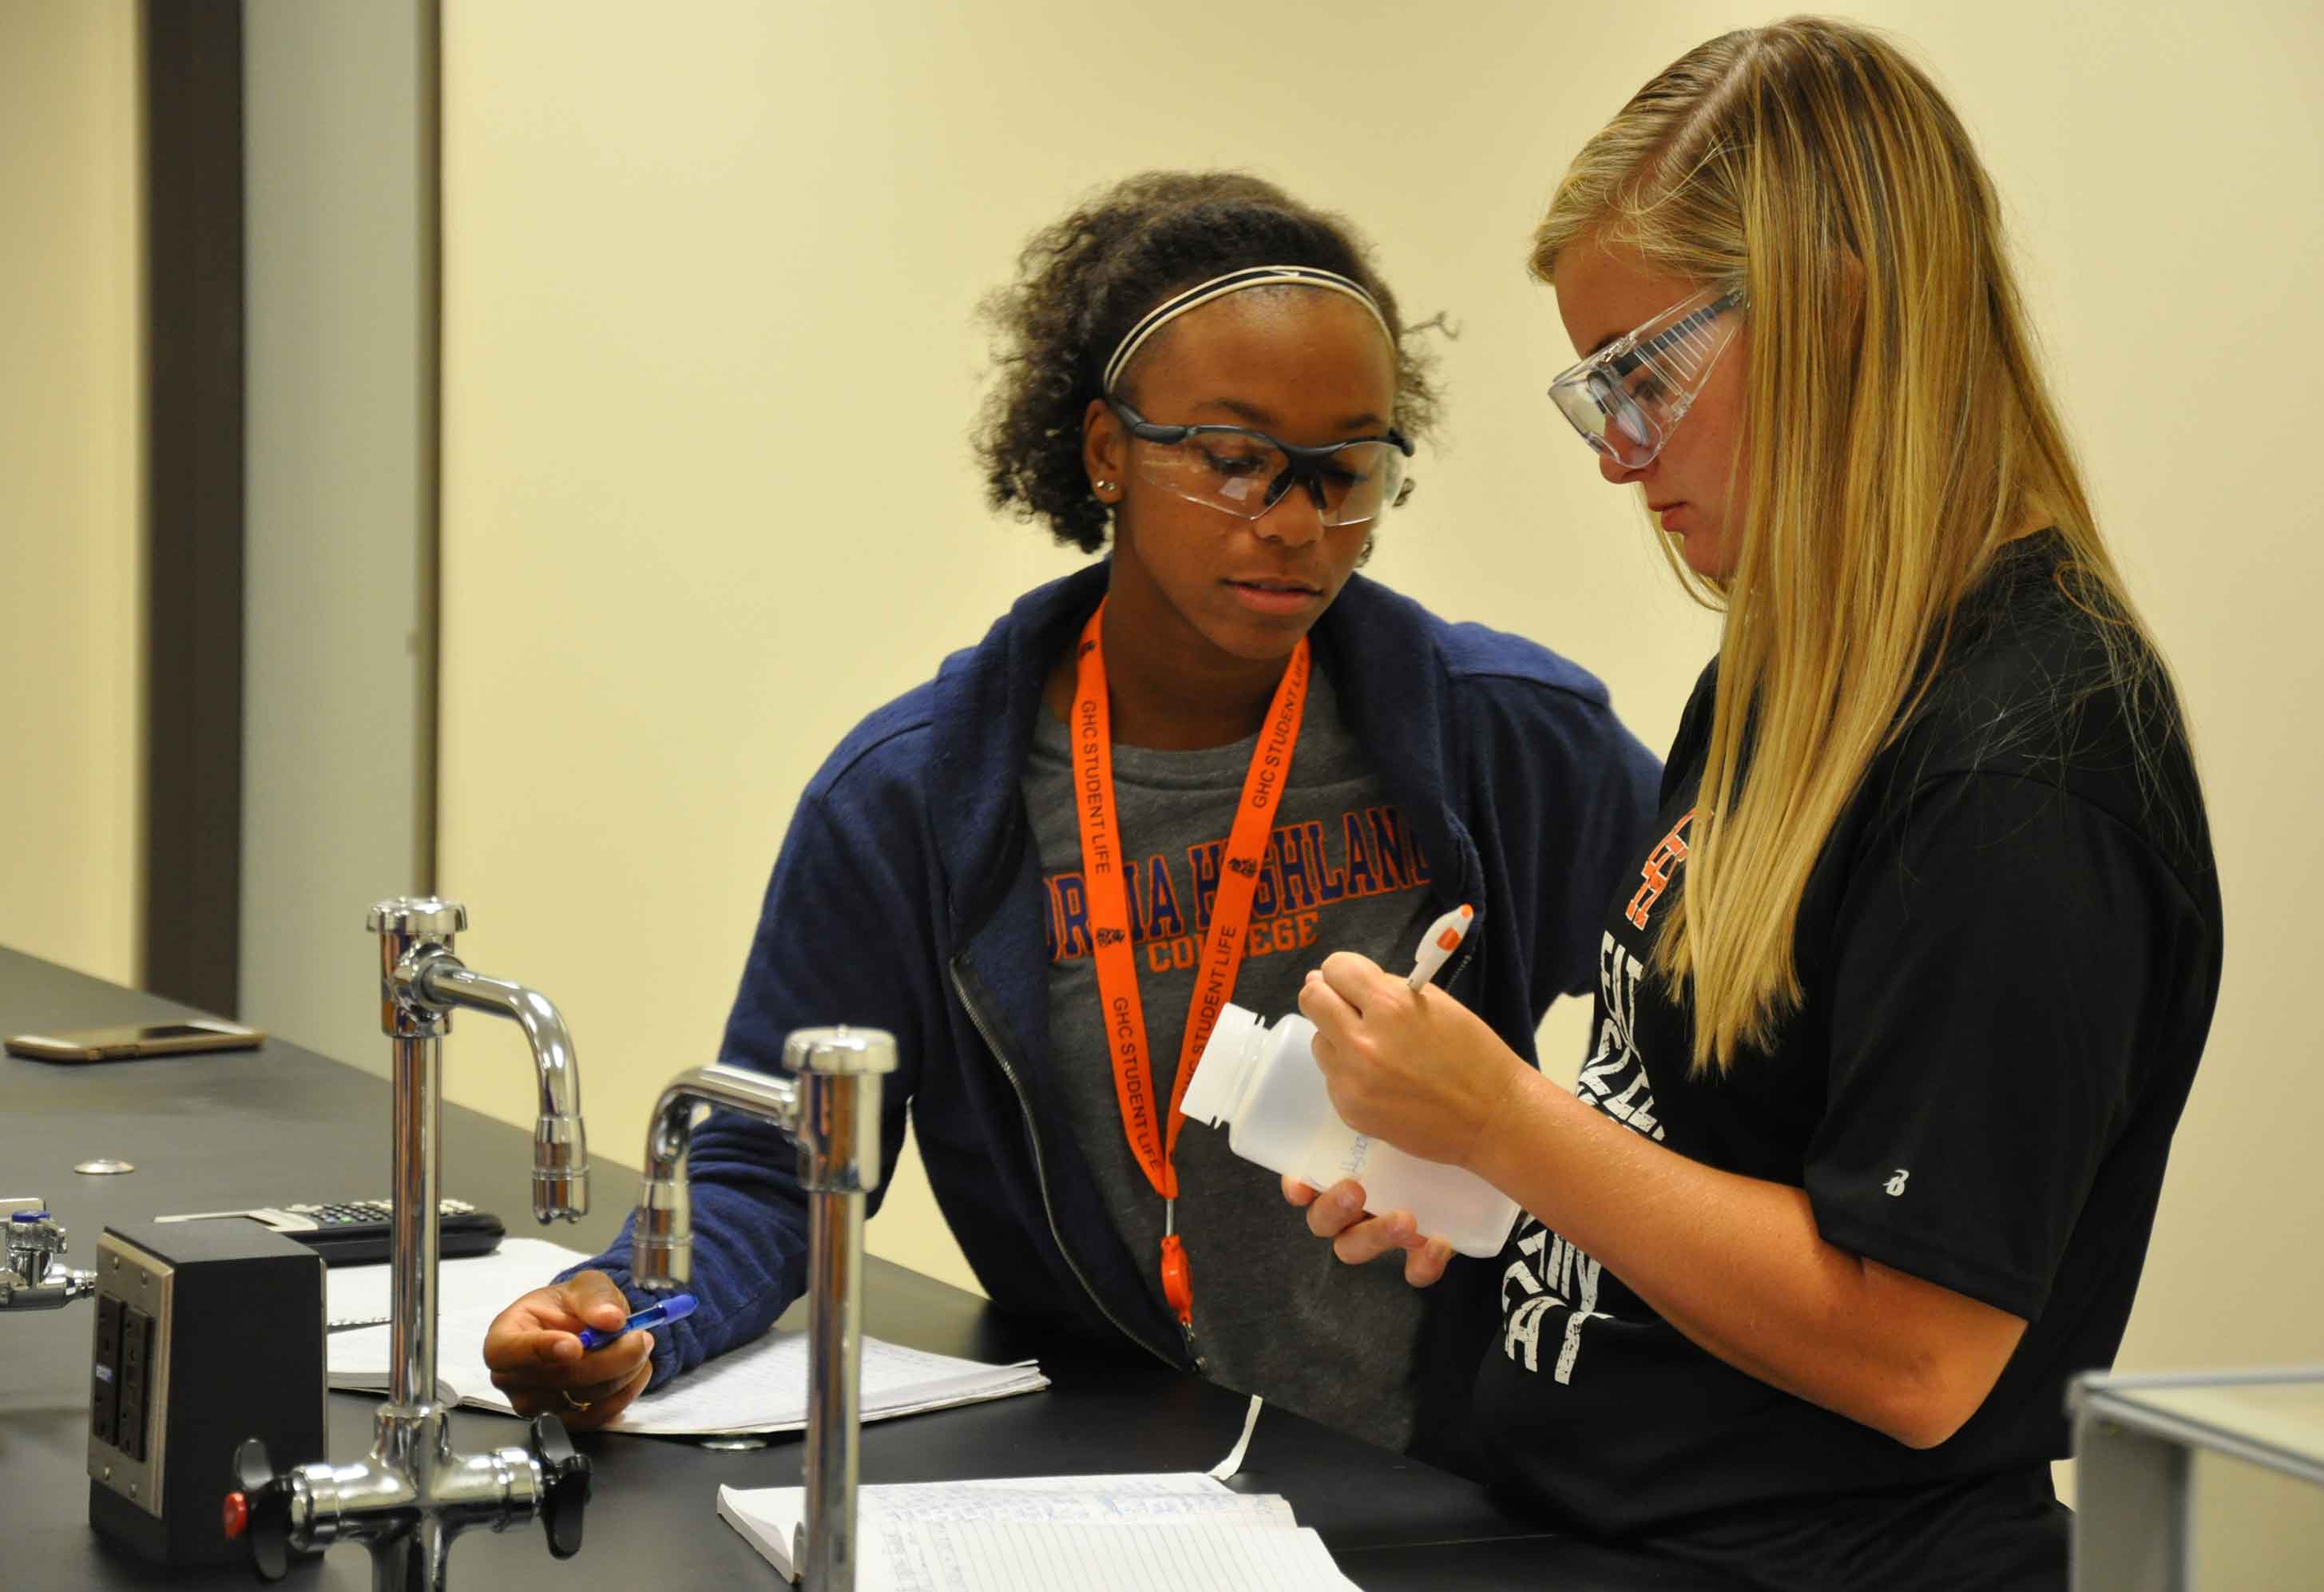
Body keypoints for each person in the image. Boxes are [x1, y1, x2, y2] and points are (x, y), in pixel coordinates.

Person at [478, 170, 1660, 1468]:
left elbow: (1719, 1062)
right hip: (1118, 1472)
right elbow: (773, 1167)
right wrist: (626, 1310)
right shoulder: (913, 802)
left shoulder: (1506, 735)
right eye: (1234, 460)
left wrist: (1540, 1183)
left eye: (1348, 470)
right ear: (1108, 451)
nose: (1297, 525)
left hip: (1460, 1480)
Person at [1289, 20, 2221, 1588]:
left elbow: (1913, 1350)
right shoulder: (1792, 668)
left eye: (1644, 377)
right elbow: (1722, 1149)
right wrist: (1498, 1183)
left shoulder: (2027, 769)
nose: (1617, 458)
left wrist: (1511, 1122)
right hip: (1585, 1513)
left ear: (1840, 315)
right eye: (1596, 397)